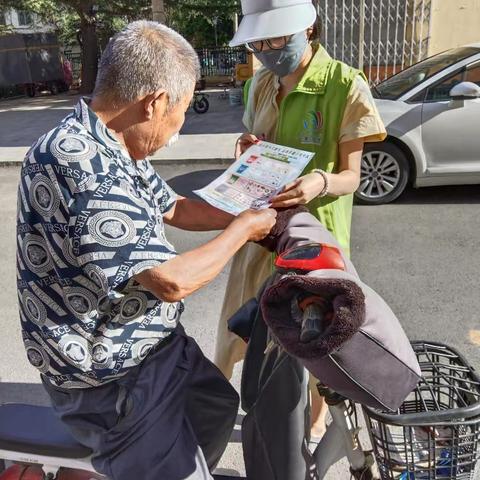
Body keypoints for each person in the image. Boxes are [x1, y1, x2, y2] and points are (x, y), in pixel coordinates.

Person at [16, 21, 277, 480]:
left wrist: (250, 194)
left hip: (149, 345)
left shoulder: (111, 143)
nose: (179, 125)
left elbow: (174, 207)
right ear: (155, 102)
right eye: (180, 111)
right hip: (109, 374)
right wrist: (244, 229)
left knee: (216, 406)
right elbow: (171, 281)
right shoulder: (85, 166)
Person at [215, 0, 387, 439]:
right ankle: (235, 402)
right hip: (262, 230)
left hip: (317, 239)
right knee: (243, 324)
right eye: (259, 42)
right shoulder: (261, 84)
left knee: (318, 338)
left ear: (308, 30)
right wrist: (247, 146)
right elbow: (255, 143)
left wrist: (319, 183)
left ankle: (315, 417)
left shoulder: (345, 85)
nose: (268, 50)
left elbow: (351, 177)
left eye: (276, 39)